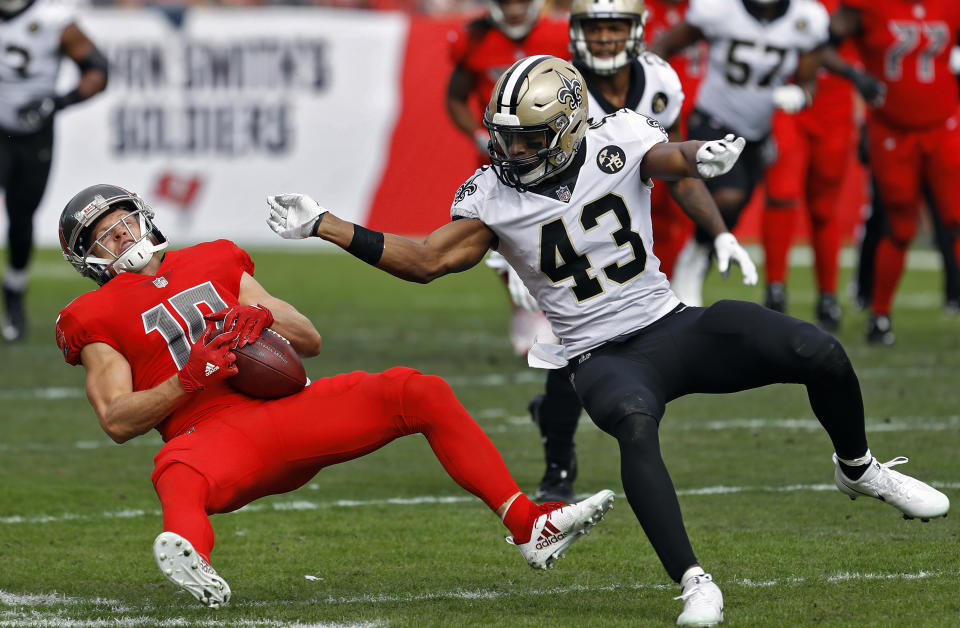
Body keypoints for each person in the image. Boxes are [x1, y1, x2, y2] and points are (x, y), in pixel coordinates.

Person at [267, 55, 950, 626]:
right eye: (506, 136)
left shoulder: (615, 136)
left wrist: (699, 159)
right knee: (633, 424)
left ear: (566, 130)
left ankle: (859, 469)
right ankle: (692, 580)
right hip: (600, 355)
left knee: (819, 352)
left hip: (670, 321)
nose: (511, 150)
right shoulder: (492, 196)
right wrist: (327, 223)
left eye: (528, 138)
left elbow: (666, 156)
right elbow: (425, 260)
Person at [54, 184, 615, 609]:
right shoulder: (93, 315)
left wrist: (260, 313)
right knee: (175, 471)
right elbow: (116, 419)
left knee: (416, 390)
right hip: (210, 433)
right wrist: (186, 379)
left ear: (144, 216)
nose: (122, 234)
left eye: (124, 220)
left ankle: (528, 525)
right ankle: (190, 552)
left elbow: (309, 339)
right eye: (105, 233)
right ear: (88, 257)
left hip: (289, 408)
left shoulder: (214, 259)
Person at [515, 0, 759, 502]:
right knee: (570, 355)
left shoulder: (661, 82)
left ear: (637, 31)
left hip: (624, 234)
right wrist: (514, 258)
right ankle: (558, 466)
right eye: (594, 27)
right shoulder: (554, 89)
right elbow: (515, 178)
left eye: (615, 27)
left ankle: (570, 430)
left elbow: (669, 165)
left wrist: (719, 232)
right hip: (562, 234)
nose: (604, 38)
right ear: (577, 32)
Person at [650, 0, 829, 307]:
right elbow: (664, 46)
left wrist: (802, 94)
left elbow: (808, 79)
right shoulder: (720, 9)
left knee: (737, 204)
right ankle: (692, 261)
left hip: (758, 132)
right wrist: (652, 88)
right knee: (728, 197)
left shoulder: (806, 18)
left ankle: (698, 253)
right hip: (713, 118)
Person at [829, 1, 960, 343]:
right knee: (899, 226)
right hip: (891, 130)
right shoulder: (867, 7)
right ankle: (880, 315)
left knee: (957, 219)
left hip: (944, 125)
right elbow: (821, 45)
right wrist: (854, 75)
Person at [446, 0, 569, 357]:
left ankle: (558, 309)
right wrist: (475, 134)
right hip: (500, 155)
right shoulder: (474, 38)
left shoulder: (562, 34)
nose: (514, 9)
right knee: (500, 230)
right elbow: (454, 96)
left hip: (554, 152)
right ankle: (526, 308)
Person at [758, 0, 883, 330]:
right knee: (781, 194)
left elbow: (874, 49)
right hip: (792, 99)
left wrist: (869, 119)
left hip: (835, 108)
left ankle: (828, 296)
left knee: (824, 208)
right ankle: (775, 291)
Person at [1, 0, 108, 342]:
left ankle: (14, 296)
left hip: (33, 137)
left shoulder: (54, 19)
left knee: (21, 217)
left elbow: (98, 70)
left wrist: (58, 102)